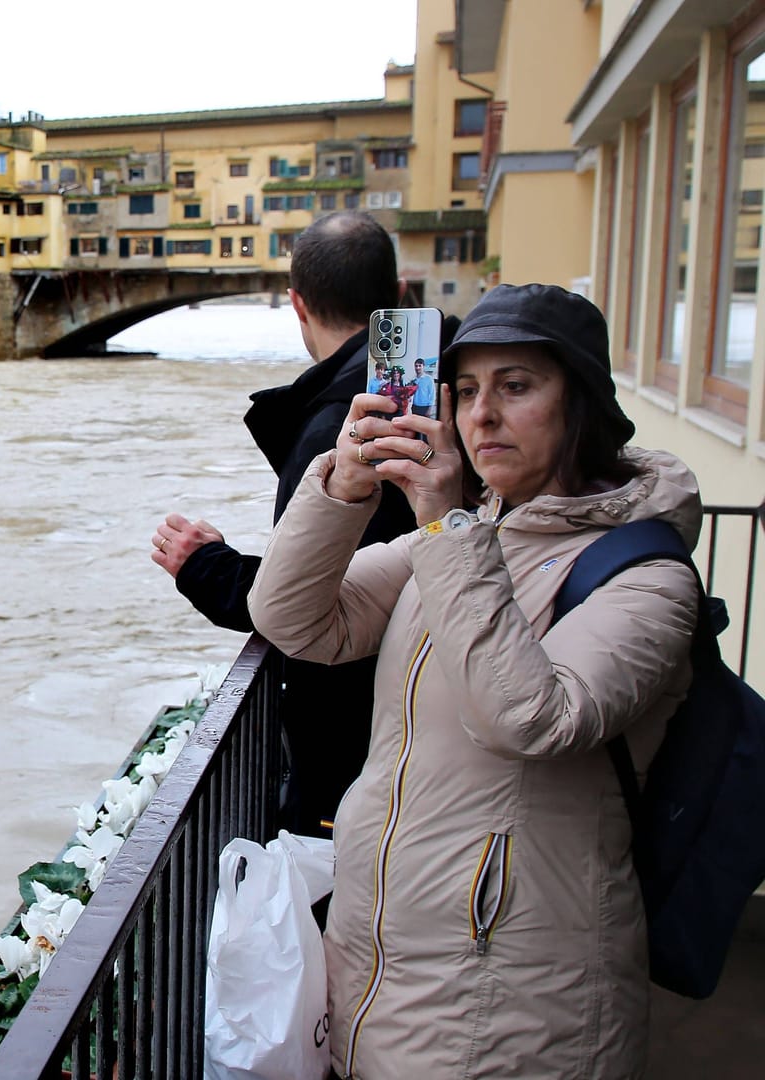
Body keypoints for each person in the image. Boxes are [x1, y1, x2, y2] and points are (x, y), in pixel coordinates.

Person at [248, 283, 701, 1078]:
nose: (481, 415)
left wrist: (443, 522)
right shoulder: (472, 534)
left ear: (582, 403)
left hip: (513, 1002)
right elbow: (293, 619)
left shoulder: (649, 576)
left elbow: (533, 717)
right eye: (463, 392)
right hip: (385, 967)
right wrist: (342, 490)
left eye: (516, 387)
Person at [151, 211, 415, 835]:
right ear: (400, 299)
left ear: (295, 303)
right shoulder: (438, 400)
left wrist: (205, 567)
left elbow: (317, 602)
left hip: (358, 749)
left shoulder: (339, 431)